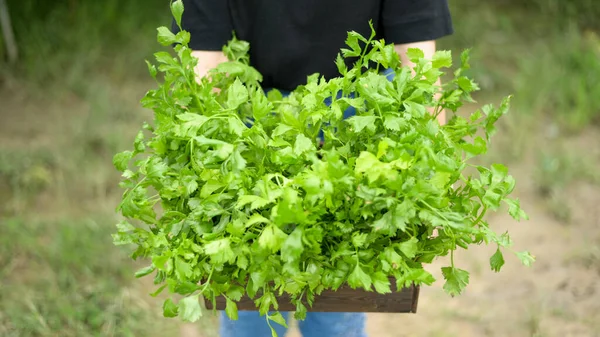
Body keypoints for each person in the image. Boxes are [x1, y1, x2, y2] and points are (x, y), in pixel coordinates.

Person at [175, 1, 453, 336]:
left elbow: (418, 68)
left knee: (338, 301)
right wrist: (202, 175)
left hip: (362, 111)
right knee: (249, 294)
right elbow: (207, 68)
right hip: (252, 114)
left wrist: (429, 187)